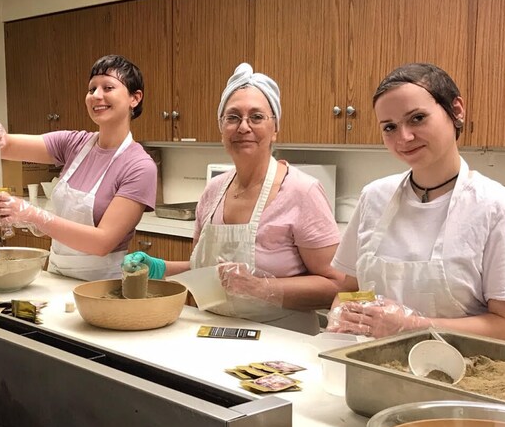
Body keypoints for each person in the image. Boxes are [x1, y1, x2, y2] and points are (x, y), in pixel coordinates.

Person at [126, 62, 343, 335]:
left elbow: (337, 285)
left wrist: (261, 288)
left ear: (275, 128)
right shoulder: (214, 191)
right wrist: (160, 268)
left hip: (283, 344)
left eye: (256, 117)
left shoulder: (302, 191)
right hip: (216, 333)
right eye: (232, 117)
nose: (243, 127)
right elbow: (210, 272)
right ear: (221, 128)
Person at [328, 62, 505, 342]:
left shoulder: (499, 209)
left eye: (417, 118)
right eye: (389, 127)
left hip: (460, 374)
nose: (404, 137)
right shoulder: (374, 197)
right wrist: (342, 318)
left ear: (457, 111)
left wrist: (414, 326)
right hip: (369, 366)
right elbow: (352, 289)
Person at [0, 55, 157, 281]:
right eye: (91, 89)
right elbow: (6, 145)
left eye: (108, 87)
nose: (96, 96)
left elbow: (102, 242)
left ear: (135, 98)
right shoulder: (73, 144)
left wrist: (33, 214)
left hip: (102, 285)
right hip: (57, 275)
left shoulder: (139, 166)